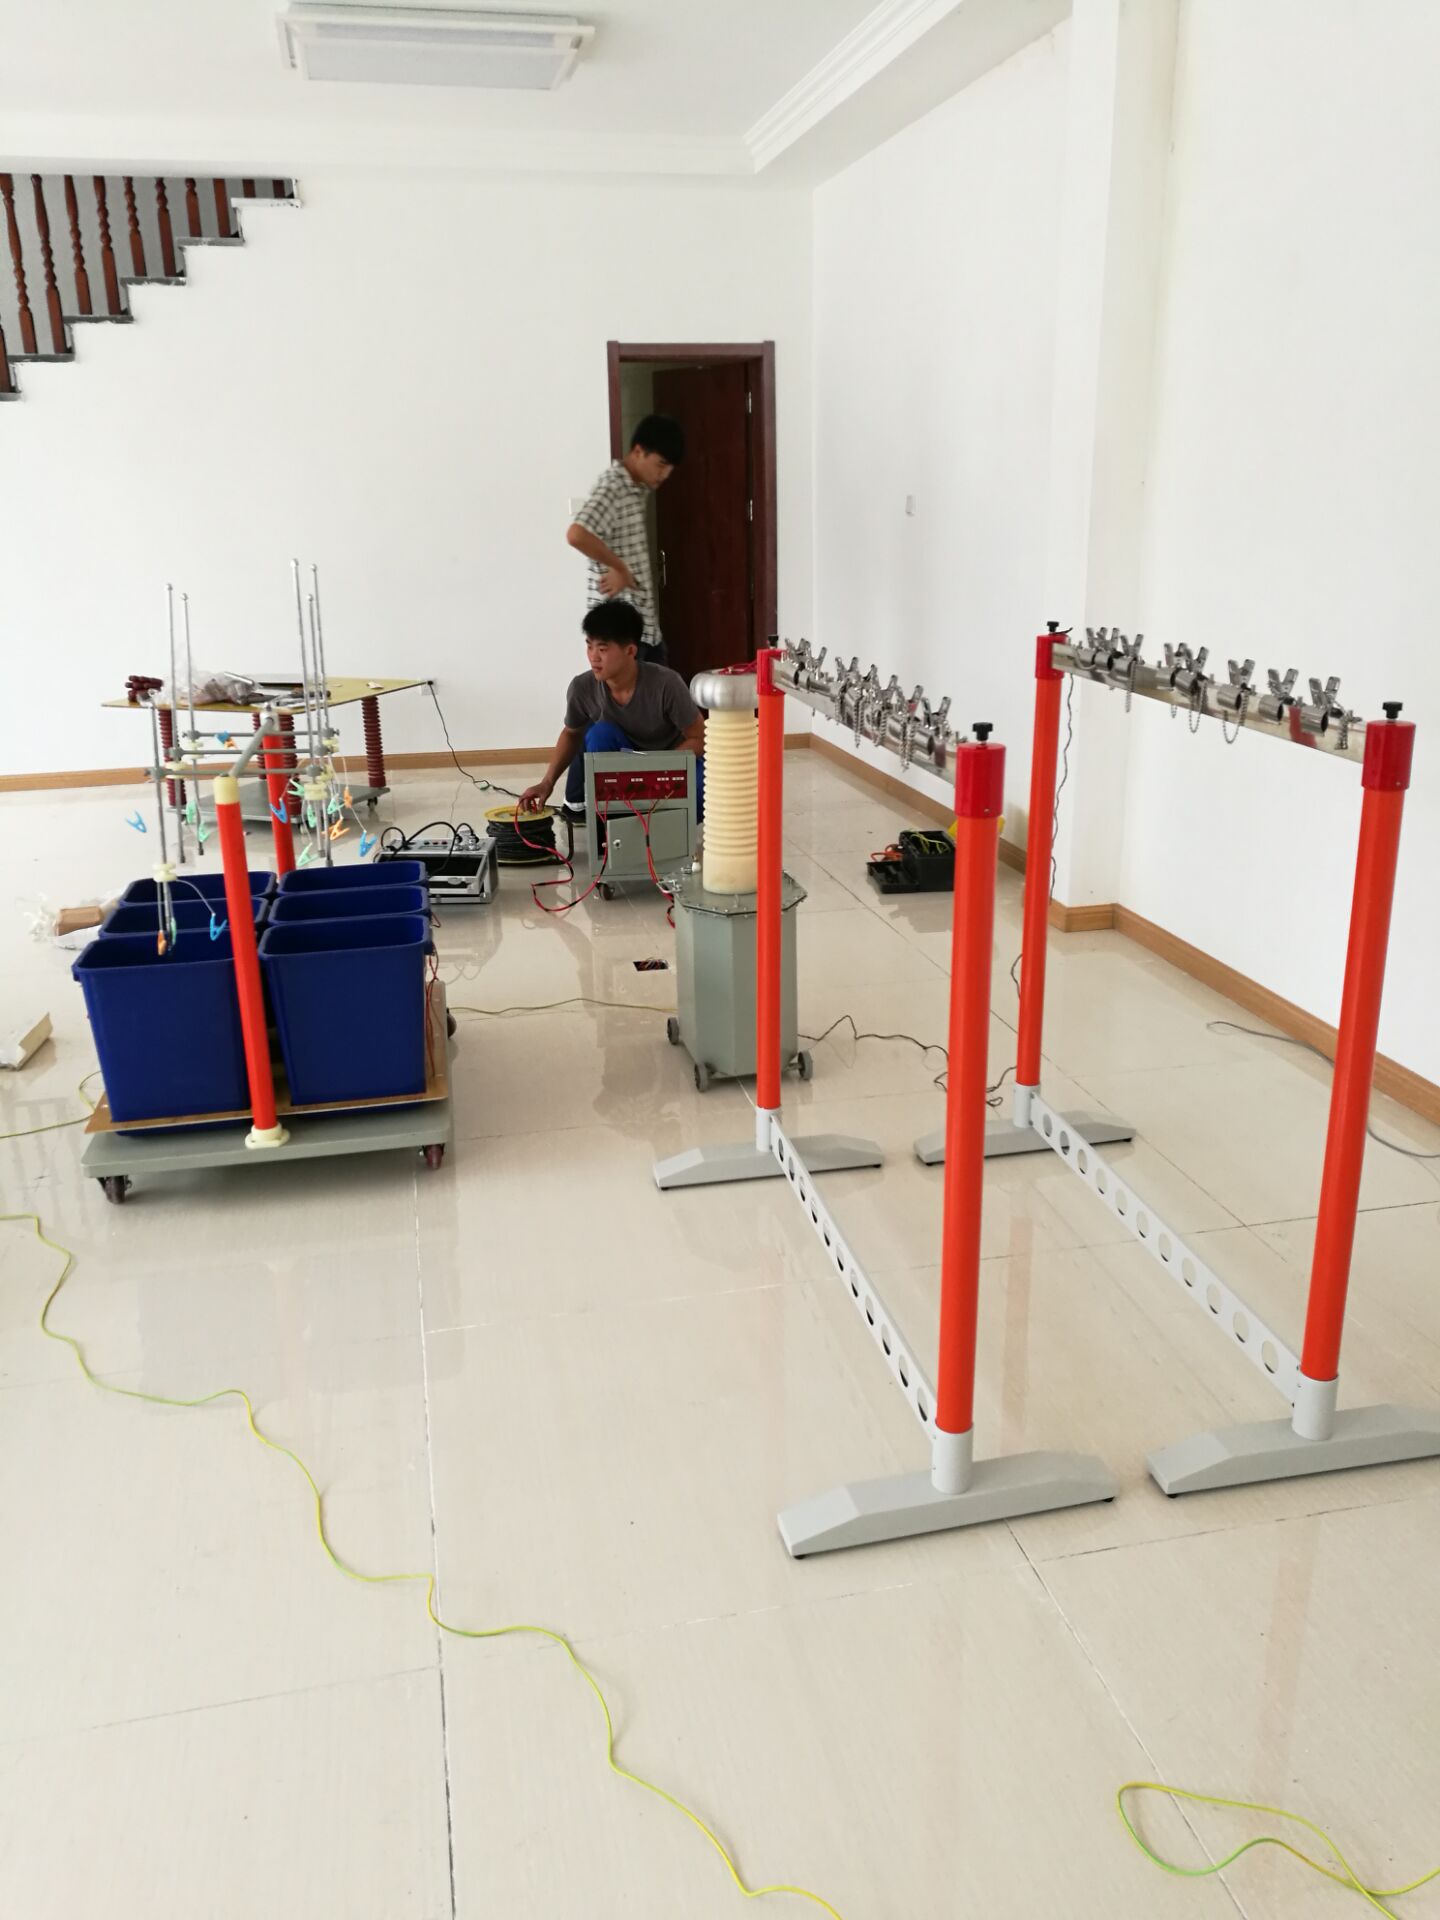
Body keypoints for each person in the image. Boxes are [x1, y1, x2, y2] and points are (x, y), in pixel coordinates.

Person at [520, 600, 704, 821]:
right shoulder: (582, 687)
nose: (593, 657)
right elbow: (571, 733)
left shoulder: (666, 683)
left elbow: (699, 738)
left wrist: (656, 769)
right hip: (625, 766)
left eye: (603, 649)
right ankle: (612, 821)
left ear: (630, 650)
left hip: (670, 765)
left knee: (702, 794)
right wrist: (547, 782)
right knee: (599, 734)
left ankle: (658, 821)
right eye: (589, 646)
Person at [566, 413, 685, 666]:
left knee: (663, 690)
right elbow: (577, 534)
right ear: (639, 451)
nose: (664, 475)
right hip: (619, 637)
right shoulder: (614, 487)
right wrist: (619, 567)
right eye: (661, 465)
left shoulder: (636, 488)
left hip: (644, 630)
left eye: (669, 469)